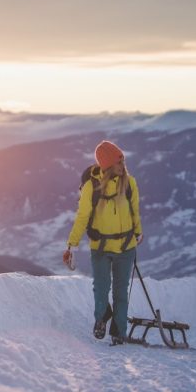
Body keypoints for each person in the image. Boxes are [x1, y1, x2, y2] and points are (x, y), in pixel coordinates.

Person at [63, 141, 143, 345]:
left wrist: (138, 233)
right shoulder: (92, 187)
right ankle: (101, 318)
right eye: (119, 161)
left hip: (126, 247)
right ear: (107, 164)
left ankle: (119, 331)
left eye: (123, 160)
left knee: (120, 291)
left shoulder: (130, 183)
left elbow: (135, 211)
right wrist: (71, 244)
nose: (123, 165)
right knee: (101, 287)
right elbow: (82, 216)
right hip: (100, 247)